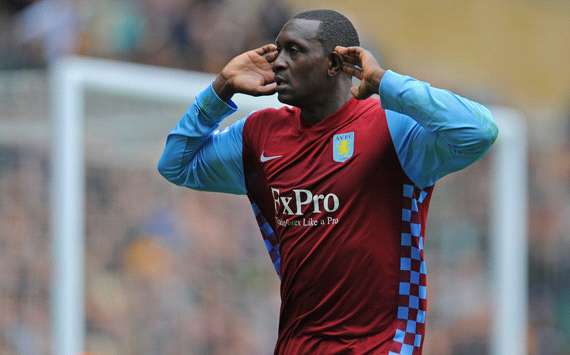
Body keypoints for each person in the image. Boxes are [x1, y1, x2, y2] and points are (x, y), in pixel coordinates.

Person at [157, 9, 498, 355]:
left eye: (295, 51)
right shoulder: (260, 135)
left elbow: (479, 131)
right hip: (297, 346)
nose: (279, 63)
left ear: (335, 64)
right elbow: (176, 165)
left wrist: (384, 81)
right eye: (278, 52)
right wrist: (221, 89)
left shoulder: (391, 129)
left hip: (380, 346)